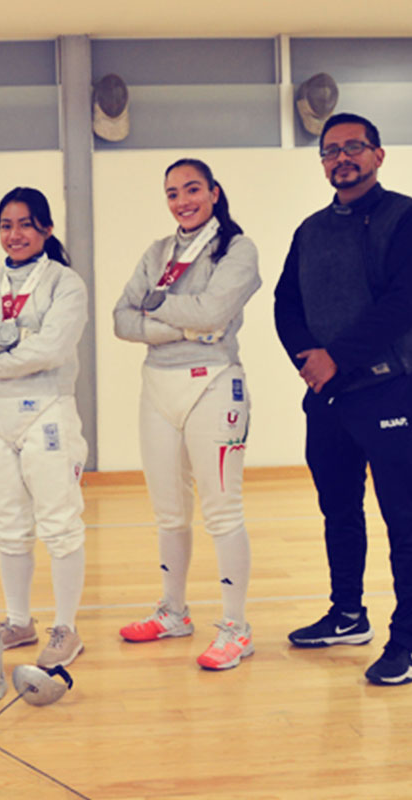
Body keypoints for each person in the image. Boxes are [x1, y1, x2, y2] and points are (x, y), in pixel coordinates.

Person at [274, 112, 412, 686]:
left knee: (403, 516)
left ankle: (411, 640)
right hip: (327, 397)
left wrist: (336, 357)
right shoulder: (310, 230)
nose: (341, 158)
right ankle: (347, 614)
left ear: (378, 155)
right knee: (339, 510)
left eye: (353, 147)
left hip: (386, 388)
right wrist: (309, 359)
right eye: (330, 151)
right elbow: (286, 304)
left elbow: (405, 302)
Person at [113, 159, 261, 670]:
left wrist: (157, 308)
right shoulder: (157, 252)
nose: (183, 201)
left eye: (192, 189)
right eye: (173, 193)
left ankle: (236, 628)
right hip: (158, 387)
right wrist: (186, 325)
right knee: (168, 512)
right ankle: (173, 612)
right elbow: (121, 319)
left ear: (214, 192)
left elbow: (215, 314)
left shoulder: (237, 250)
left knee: (222, 511)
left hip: (213, 384)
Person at [0, 187, 89, 670]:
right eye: (6, 225)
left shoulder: (65, 283)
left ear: (46, 228)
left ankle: (65, 628)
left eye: (25, 223)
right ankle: (19, 621)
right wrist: (4, 338)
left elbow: (52, 348)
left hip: (47, 411)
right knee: (6, 523)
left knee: (59, 523)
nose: (15, 234)